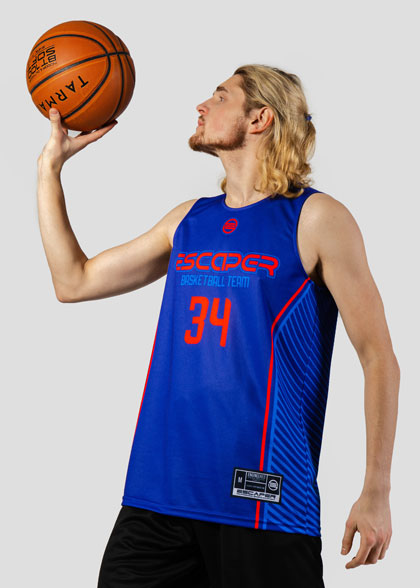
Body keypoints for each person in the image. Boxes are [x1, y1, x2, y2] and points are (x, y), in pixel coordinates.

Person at [37, 64, 399, 587]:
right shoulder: (188, 220)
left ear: (260, 118)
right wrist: (49, 170)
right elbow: (73, 281)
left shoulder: (315, 218)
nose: (202, 106)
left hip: (263, 502)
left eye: (220, 96)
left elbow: (378, 356)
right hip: (157, 496)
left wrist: (376, 490)